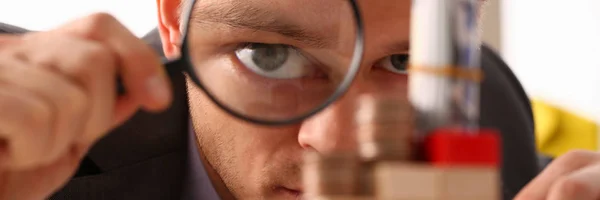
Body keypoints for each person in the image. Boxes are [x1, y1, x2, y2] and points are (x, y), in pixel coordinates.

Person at [0, 0, 597, 200]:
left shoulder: (487, 108)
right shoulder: (23, 134)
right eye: (268, 56)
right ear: (174, 16)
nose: (337, 143)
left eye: (404, 62)